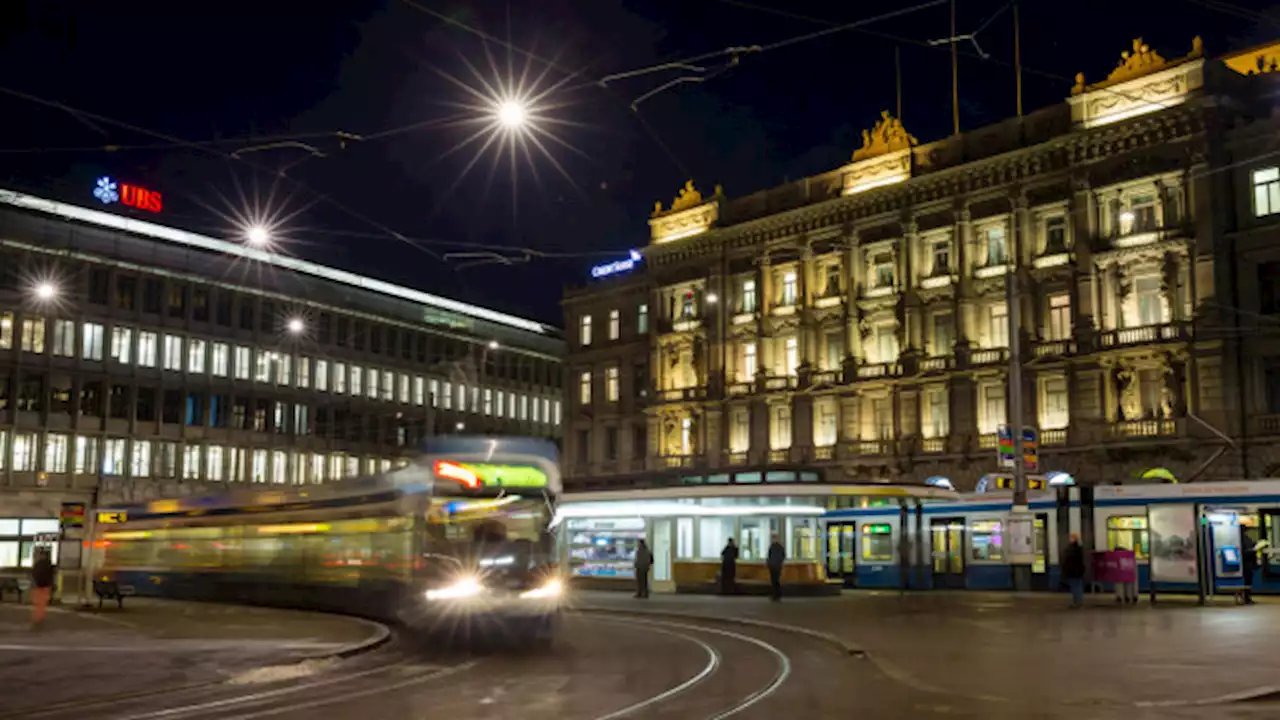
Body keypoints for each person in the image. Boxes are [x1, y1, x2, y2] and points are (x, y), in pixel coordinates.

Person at [30, 547, 55, 629]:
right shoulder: (49, 564)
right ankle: (40, 617)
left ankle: (38, 618)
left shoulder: (37, 564)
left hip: (38, 586)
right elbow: (51, 575)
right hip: (45, 586)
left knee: (38, 603)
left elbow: (34, 574)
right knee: (42, 603)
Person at [1062, 534, 1086, 609]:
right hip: (1077, 571)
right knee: (1077, 586)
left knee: (1075, 587)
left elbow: (1069, 560)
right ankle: (1078, 602)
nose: (1070, 539)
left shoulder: (1072, 549)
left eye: (1071, 538)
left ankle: (1077, 602)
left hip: (1073, 571)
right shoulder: (1078, 549)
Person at [766, 534, 786, 602]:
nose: (772, 540)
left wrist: (770, 562)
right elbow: (783, 556)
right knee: (775, 581)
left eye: (773, 538)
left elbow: (770, 556)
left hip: (775, 566)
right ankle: (777, 595)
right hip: (775, 566)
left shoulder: (774, 547)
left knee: (775, 581)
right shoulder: (777, 547)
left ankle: (776, 595)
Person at [1241, 535, 1258, 605]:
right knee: (1248, 581)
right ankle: (1246, 597)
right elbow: (1244, 551)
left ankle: (1247, 597)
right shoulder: (1246, 538)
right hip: (1247, 563)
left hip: (1247, 563)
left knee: (1248, 581)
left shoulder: (1244, 538)